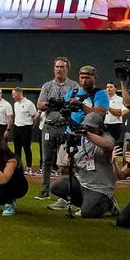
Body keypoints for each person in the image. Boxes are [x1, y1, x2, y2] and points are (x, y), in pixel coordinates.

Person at [48, 112, 118, 218]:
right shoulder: (80, 139)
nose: (89, 129)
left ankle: (109, 203)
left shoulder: (106, 137)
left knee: (87, 213)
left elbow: (108, 145)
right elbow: (71, 159)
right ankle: (87, 204)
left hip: (99, 187)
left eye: (92, 127)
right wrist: (70, 159)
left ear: (100, 128)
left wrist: (86, 133)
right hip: (82, 182)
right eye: (87, 126)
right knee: (56, 187)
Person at [35, 57, 80, 198]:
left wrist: (65, 104)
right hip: (49, 126)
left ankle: (66, 192)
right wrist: (50, 104)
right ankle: (44, 190)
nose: (59, 69)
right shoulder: (47, 86)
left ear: (67, 69)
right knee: (46, 160)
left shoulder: (74, 86)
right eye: (57, 67)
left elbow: (77, 105)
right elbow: (39, 105)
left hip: (65, 127)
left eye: (62, 67)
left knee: (66, 162)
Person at [9, 88, 37, 173]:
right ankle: (19, 166)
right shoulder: (15, 104)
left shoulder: (29, 103)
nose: (12, 96)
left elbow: (34, 116)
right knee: (17, 149)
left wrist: (30, 126)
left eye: (14, 94)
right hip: (16, 127)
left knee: (27, 148)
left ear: (19, 93)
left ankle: (29, 167)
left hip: (26, 128)